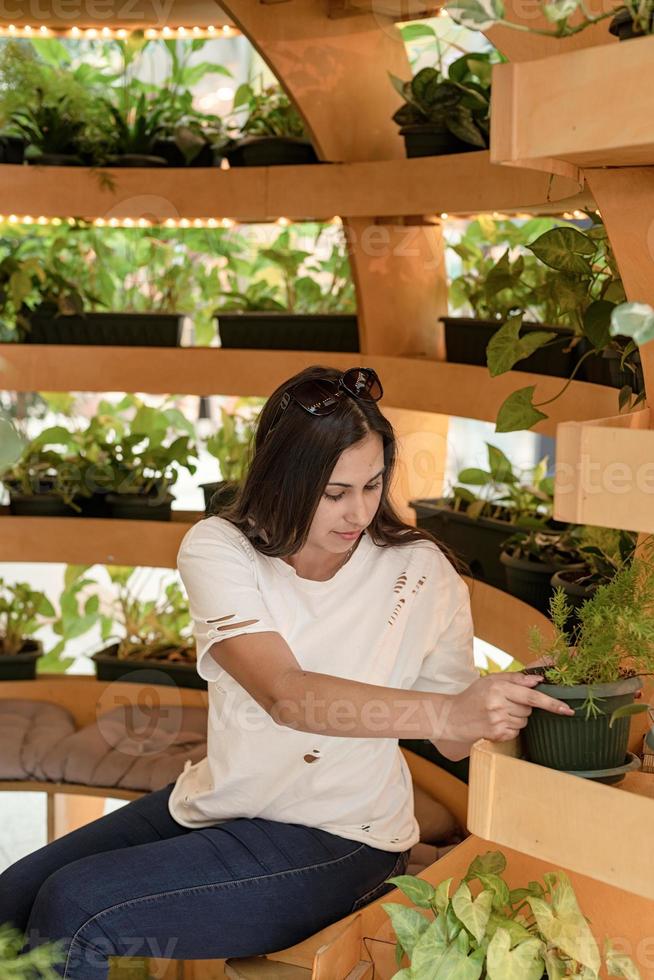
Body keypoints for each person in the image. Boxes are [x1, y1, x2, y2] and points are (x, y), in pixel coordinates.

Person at [0, 365, 574, 978]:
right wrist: (448, 710)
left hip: (344, 836)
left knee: (76, 909)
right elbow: (287, 696)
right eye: (334, 493)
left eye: (373, 485)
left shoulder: (421, 571)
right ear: (284, 478)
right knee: (11, 902)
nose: (358, 511)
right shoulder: (220, 548)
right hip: (220, 799)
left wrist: (499, 699)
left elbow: (452, 736)